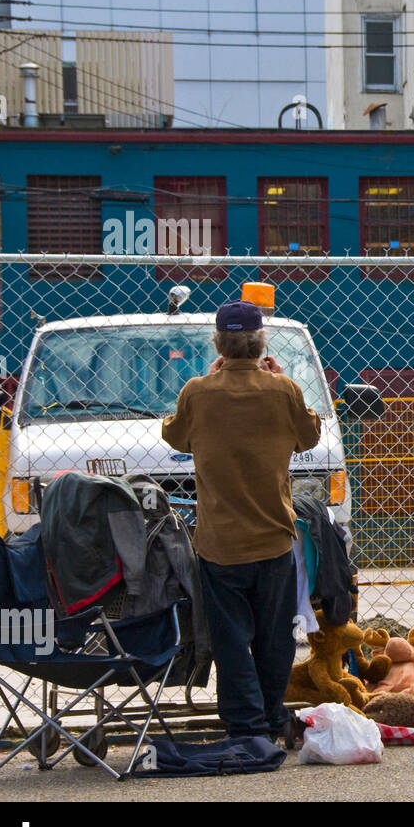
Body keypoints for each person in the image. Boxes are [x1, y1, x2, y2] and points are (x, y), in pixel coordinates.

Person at [162, 300, 321, 742]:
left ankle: (244, 726)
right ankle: (272, 719)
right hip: (273, 538)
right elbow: (309, 436)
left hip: (219, 543)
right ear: (260, 344)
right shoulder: (282, 389)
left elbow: (173, 434)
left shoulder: (197, 390)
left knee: (231, 641)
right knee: (274, 639)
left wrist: (213, 379)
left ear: (219, 344)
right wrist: (279, 378)